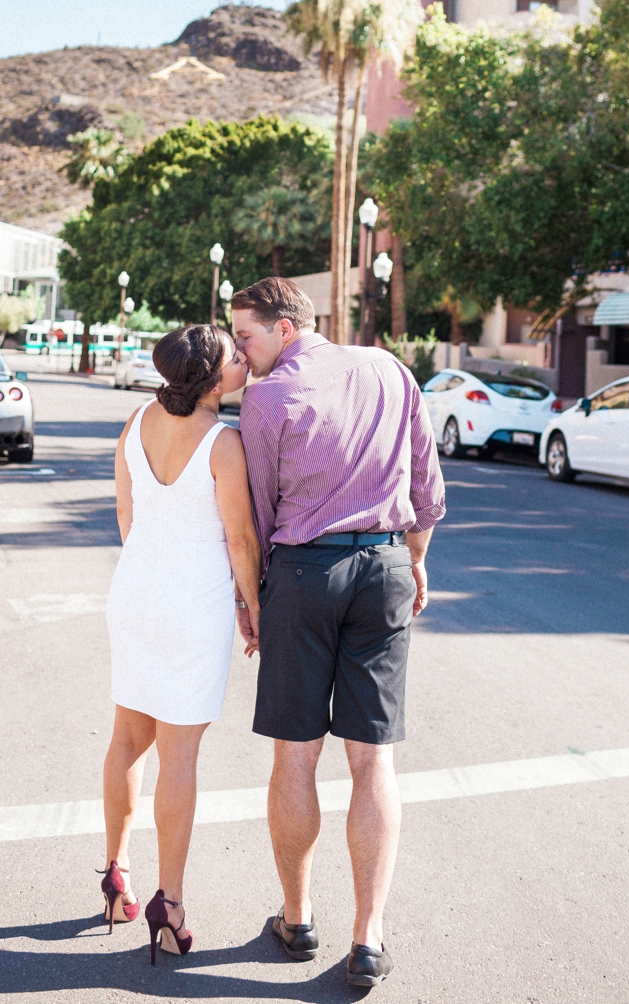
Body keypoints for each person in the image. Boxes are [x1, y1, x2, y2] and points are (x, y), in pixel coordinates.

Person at [231, 277, 445, 989]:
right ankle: (368, 939)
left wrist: (250, 596)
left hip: (302, 576)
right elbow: (425, 482)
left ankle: (296, 921)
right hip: (382, 567)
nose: (240, 350)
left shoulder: (262, 399)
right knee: (372, 760)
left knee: (295, 758)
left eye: (246, 337)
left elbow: (259, 509)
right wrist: (412, 562)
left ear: (284, 329)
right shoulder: (388, 368)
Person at [99, 325, 261, 965]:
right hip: (194, 606)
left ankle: (116, 874)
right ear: (212, 378)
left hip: (134, 592)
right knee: (180, 754)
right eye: (233, 356)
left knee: (126, 737)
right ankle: (170, 902)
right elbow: (241, 543)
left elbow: (126, 516)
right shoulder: (224, 443)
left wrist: (148, 569)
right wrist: (251, 608)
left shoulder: (137, 421)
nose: (243, 360)